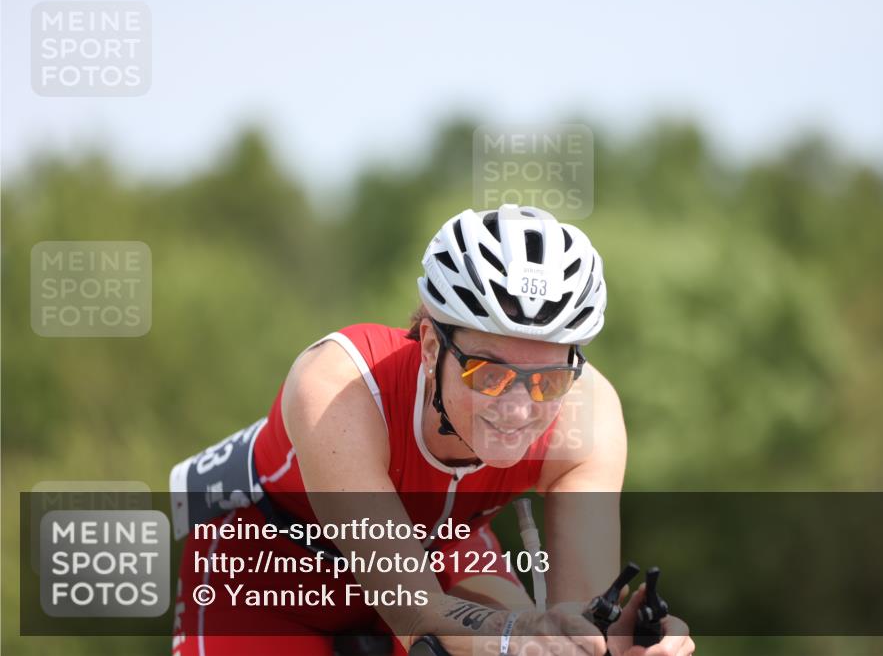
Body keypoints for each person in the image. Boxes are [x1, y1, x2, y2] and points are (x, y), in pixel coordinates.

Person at [171, 204, 694, 656]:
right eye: (488, 373)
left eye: (549, 379)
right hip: (268, 569)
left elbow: (576, 621)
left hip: (441, 548)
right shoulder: (339, 385)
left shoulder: (588, 413)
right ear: (428, 344)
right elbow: (413, 609)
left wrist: (615, 641)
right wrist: (516, 633)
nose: (516, 409)